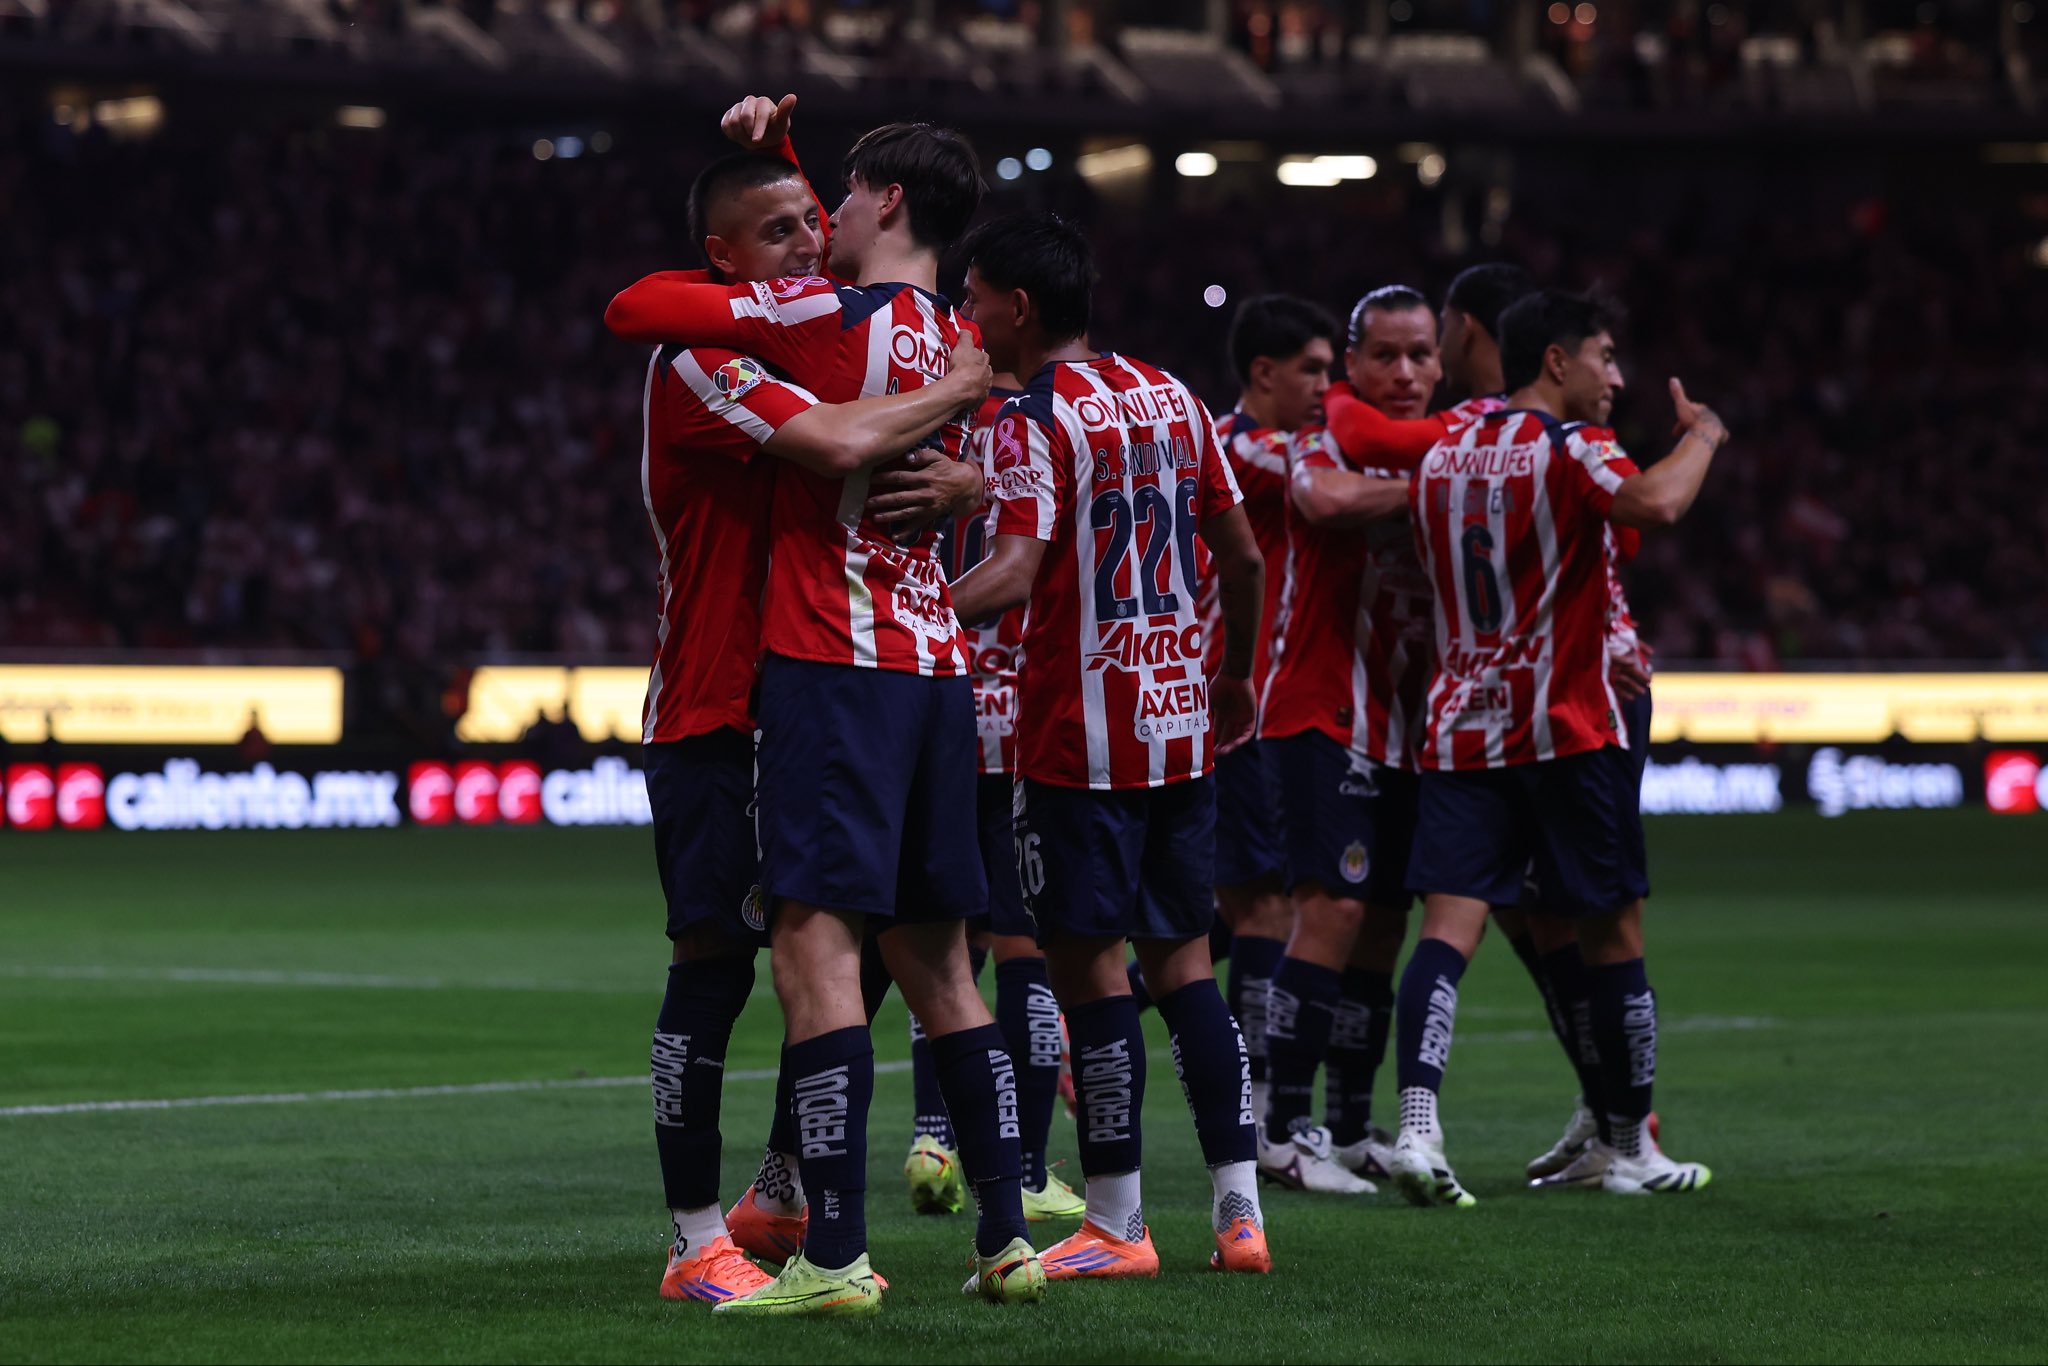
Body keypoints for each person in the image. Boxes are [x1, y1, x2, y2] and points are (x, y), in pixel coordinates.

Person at [607, 109, 1043, 1314]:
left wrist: (966, 465)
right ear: (725, 255)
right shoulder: (708, 361)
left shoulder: (816, 324)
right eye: (782, 228)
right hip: (716, 700)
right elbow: (843, 417)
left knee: (870, 951)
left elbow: (841, 298)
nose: (810, 240)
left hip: (823, 685)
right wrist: (960, 392)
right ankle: (697, 1238)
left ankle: (808, 1201)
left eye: (822, 214)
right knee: (720, 966)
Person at [949, 211, 1272, 1279]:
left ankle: (1118, 1223)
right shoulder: (1171, 394)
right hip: (1179, 726)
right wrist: (1231, 672)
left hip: (1076, 740)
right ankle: (1238, 1215)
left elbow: (1009, 571)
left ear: (1019, 308)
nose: (965, 316)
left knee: (1086, 974)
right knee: (1185, 972)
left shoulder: (1034, 416)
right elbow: (1241, 554)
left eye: (974, 297)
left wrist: (905, 612)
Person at [1390, 288, 1725, 1206]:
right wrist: (1703, 437)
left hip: (1462, 721)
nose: (1615, 378)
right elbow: (1652, 505)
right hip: (1565, 724)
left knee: (1446, 933)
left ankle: (1418, 1128)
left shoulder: (1445, 448)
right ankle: (1629, 1146)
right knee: (1613, 932)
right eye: (1605, 357)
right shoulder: (1572, 446)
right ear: (1555, 361)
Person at [1252, 287, 1444, 1191]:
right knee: (1328, 908)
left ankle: (1352, 1126)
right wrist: (1440, 488)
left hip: (1406, 728)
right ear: (1356, 365)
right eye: (1385, 357)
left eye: (1421, 356)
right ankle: (1280, 1130)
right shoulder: (1323, 433)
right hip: (1321, 708)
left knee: (1380, 928)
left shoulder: (1441, 441)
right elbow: (1324, 501)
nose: (1403, 375)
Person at [919, 380, 1089, 1227]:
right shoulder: (1036, 440)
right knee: (1023, 954)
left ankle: (929, 1136)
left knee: (940, 944)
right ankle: (1022, 1165)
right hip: (1015, 720)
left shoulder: (917, 436)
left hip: (938, 710)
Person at [1197, 295, 1345, 1127]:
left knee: (1227, 904)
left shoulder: (1232, 443)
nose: (1328, 385)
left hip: (1238, 696)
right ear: (1264, 374)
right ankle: (1258, 1108)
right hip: (1234, 696)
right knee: (1264, 906)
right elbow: (1329, 493)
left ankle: (1085, 1033)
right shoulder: (1250, 449)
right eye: (1315, 370)